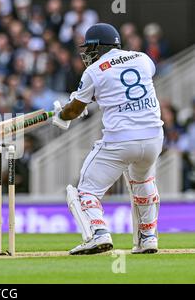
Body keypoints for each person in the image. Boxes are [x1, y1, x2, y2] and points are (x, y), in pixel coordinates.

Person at [52, 23, 163, 255]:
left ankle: (98, 233)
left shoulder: (94, 71)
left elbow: (73, 111)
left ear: (101, 46)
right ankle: (148, 237)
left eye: (91, 48)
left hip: (120, 140)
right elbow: (125, 84)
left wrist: (62, 113)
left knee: (86, 190)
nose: (87, 54)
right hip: (153, 137)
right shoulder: (142, 58)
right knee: (142, 182)